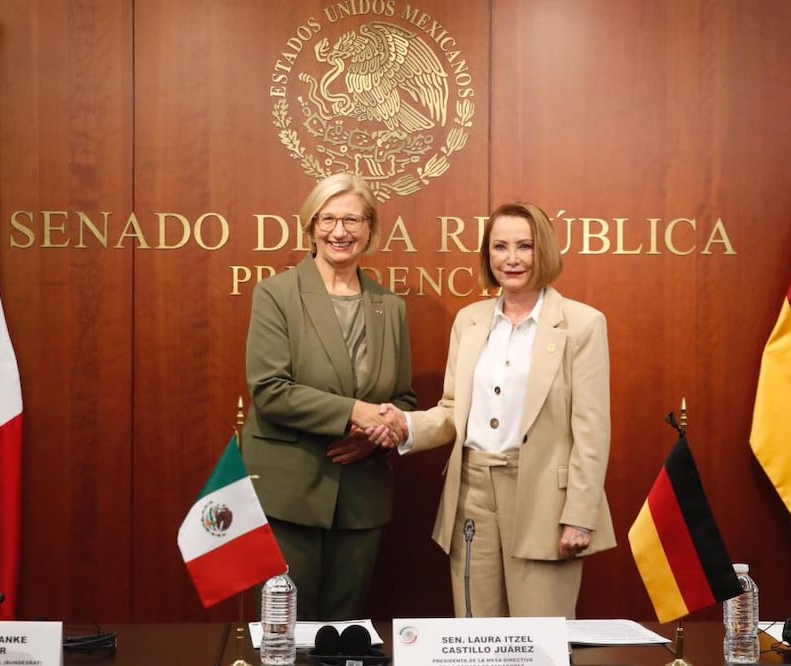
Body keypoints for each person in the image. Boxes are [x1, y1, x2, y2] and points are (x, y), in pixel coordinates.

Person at [370, 201, 615, 618]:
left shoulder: (582, 324)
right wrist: (404, 424)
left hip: (545, 502)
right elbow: (453, 410)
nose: (511, 258)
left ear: (544, 251)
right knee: (476, 635)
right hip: (472, 495)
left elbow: (592, 431)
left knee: (538, 640)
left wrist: (580, 515)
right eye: (500, 246)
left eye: (525, 246)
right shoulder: (470, 321)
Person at [240, 172, 414, 621]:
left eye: (353, 220)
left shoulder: (390, 307)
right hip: (288, 494)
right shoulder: (276, 294)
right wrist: (355, 412)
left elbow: (403, 400)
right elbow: (270, 390)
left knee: (343, 634)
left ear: (370, 229)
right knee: (285, 632)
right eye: (328, 219)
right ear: (311, 226)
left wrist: (375, 437)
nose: (340, 231)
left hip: (361, 496)